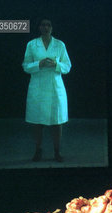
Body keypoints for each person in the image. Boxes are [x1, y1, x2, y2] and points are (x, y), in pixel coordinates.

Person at [22, 18, 71, 162]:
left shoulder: (59, 45)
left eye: (48, 25)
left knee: (57, 122)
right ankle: (38, 150)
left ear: (52, 28)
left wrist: (56, 64)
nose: (46, 27)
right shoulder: (31, 45)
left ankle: (57, 151)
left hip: (55, 87)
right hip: (37, 87)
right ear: (39, 27)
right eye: (43, 25)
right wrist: (39, 64)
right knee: (37, 122)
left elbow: (67, 66)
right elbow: (25, 65)